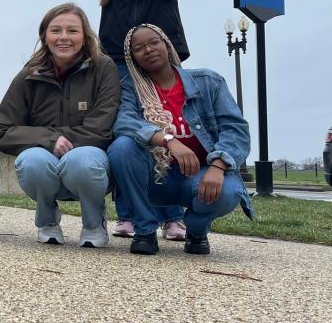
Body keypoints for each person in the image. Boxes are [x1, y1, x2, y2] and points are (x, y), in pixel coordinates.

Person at [75, 0, 197, 239]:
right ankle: (127, 213)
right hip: (118, 64)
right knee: (125, 137)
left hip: (162, 62)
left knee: (168, 130)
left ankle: (173, 215)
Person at [108, 24, 253, 256]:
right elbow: (124, 123)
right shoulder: (131, 89)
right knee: (121, 147)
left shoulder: (208, 82)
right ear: (132, 58)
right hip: (155, 176)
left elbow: (236, 129)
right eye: (139, 48)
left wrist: (218, 166)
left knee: (228, 192)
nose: (148, 50)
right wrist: (169, 140)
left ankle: (196, 230)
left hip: (200, 175)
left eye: (154, 42)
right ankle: (145, 231)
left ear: (167, 45)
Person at [0, 4, 120, 247]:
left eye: (72, 31)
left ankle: (94, 223)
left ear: (84, 37)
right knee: (32, 160)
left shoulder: (104, 68)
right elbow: (3, 131)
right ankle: (47, 221)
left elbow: (101, 128)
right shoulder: (28, 76)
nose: (64, 37)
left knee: (81, 160)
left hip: (91, 160)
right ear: (45, 36)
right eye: (56, 31)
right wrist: (49, 140)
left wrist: (62, 142)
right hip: (46, 160)